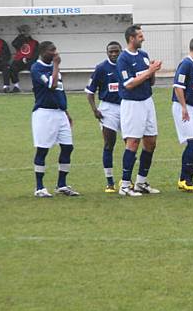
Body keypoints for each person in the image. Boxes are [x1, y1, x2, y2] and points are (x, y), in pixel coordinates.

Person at [116, 24, 162, 197]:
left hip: (147, 101)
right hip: (132, 104)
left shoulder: (143, 55)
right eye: (140, 36)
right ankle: (125, 185)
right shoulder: (123, 59)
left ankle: (141, 182)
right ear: (131, 38)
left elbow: (150, 81)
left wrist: (153, 71)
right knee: (133, 142)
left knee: (151, 141)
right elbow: (128, 84)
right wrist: (149, 71)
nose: (143, 38)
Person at [30, 41, 80, 197]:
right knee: (43, 149)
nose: (55, 53)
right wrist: (56, 65)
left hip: (59, 113)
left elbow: (59, 91)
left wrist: (66, 112)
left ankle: (62, 185)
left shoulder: (54, 68)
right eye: (52, 50)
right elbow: (51, 85)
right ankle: (39, 187)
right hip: (44, 113)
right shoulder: (36, 68)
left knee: (67, 147)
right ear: (43, 52)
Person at [85, 41, 123, 193]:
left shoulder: (125, 65)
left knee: (131, 143)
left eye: (116, 51)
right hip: (107, 108)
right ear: (107, 52)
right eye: (111, 52)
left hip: (126, 107)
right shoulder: (101, 68)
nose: (114, 54)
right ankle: (110, 182)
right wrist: (95, 109)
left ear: (121, 51)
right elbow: (90, 92)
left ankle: (127, 180)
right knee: (109, 144)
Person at [173, 37, 193, 192]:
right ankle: (187, 180)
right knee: (192, 143)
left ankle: (183, 179)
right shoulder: (186, 64)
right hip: (183, 107)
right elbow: (178, 87)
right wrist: (184, 107)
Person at [10, 24, 39, 92]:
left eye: (26, 31)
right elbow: (14, 44)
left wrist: (29, 60)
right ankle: (16, 86)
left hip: (30, 61)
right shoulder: (20, 41)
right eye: (23, 31)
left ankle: (35, 86)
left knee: (34, 68)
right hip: (20, 60)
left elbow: (36, 55)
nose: (25, 32)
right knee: (12, 67)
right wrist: (21, 35)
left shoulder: (35, 42)